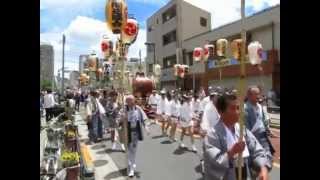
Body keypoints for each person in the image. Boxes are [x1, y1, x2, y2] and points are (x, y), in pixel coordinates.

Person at [203, 93, 271, 180]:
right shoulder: (212, 135)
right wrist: (231, 153)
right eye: (233, 108)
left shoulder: (242, 130)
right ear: (220, 111)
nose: (238, 112)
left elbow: (257, 150)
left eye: (238, 108)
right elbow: (212, 163)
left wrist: (263, 167)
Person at [118, 95, 150, 177]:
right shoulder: (123, 110)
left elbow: (144, 118)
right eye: (129, 101)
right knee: (128, 151)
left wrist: (146, 127)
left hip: (135, 133)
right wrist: (121, 119)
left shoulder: (138, 108)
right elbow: (118, 121)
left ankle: (131, 167)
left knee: (133, 151)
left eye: (132, 101)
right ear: (126, 102)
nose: (131, 103)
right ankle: (130, 165)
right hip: (126, 133)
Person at [245, 86, 275, 168]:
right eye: (256, 94)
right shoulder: (245, 108)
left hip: (263, 136)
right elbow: (246, 129)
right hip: (253, 137)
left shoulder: (260, 106)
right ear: (249, 95)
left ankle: (263, 172)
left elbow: (263, 120)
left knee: (268, 158)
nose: (259, 96)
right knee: (255, 160)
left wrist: (268, 129)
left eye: (259, 94)